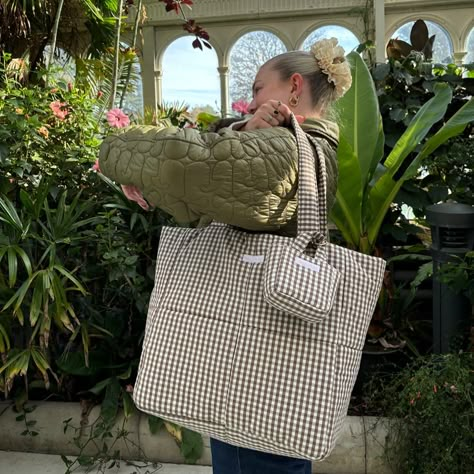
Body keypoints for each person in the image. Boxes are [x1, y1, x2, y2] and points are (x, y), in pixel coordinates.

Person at [99, 37, 352, 474]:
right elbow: (215, 170)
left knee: (257, 460)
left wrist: (116, 155)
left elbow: (185, 164)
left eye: (257, 90)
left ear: (294, 88)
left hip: (260, 374)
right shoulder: (292, 146)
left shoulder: (287, 151)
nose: (249, 102)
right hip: (260, 371)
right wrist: (244, 130)